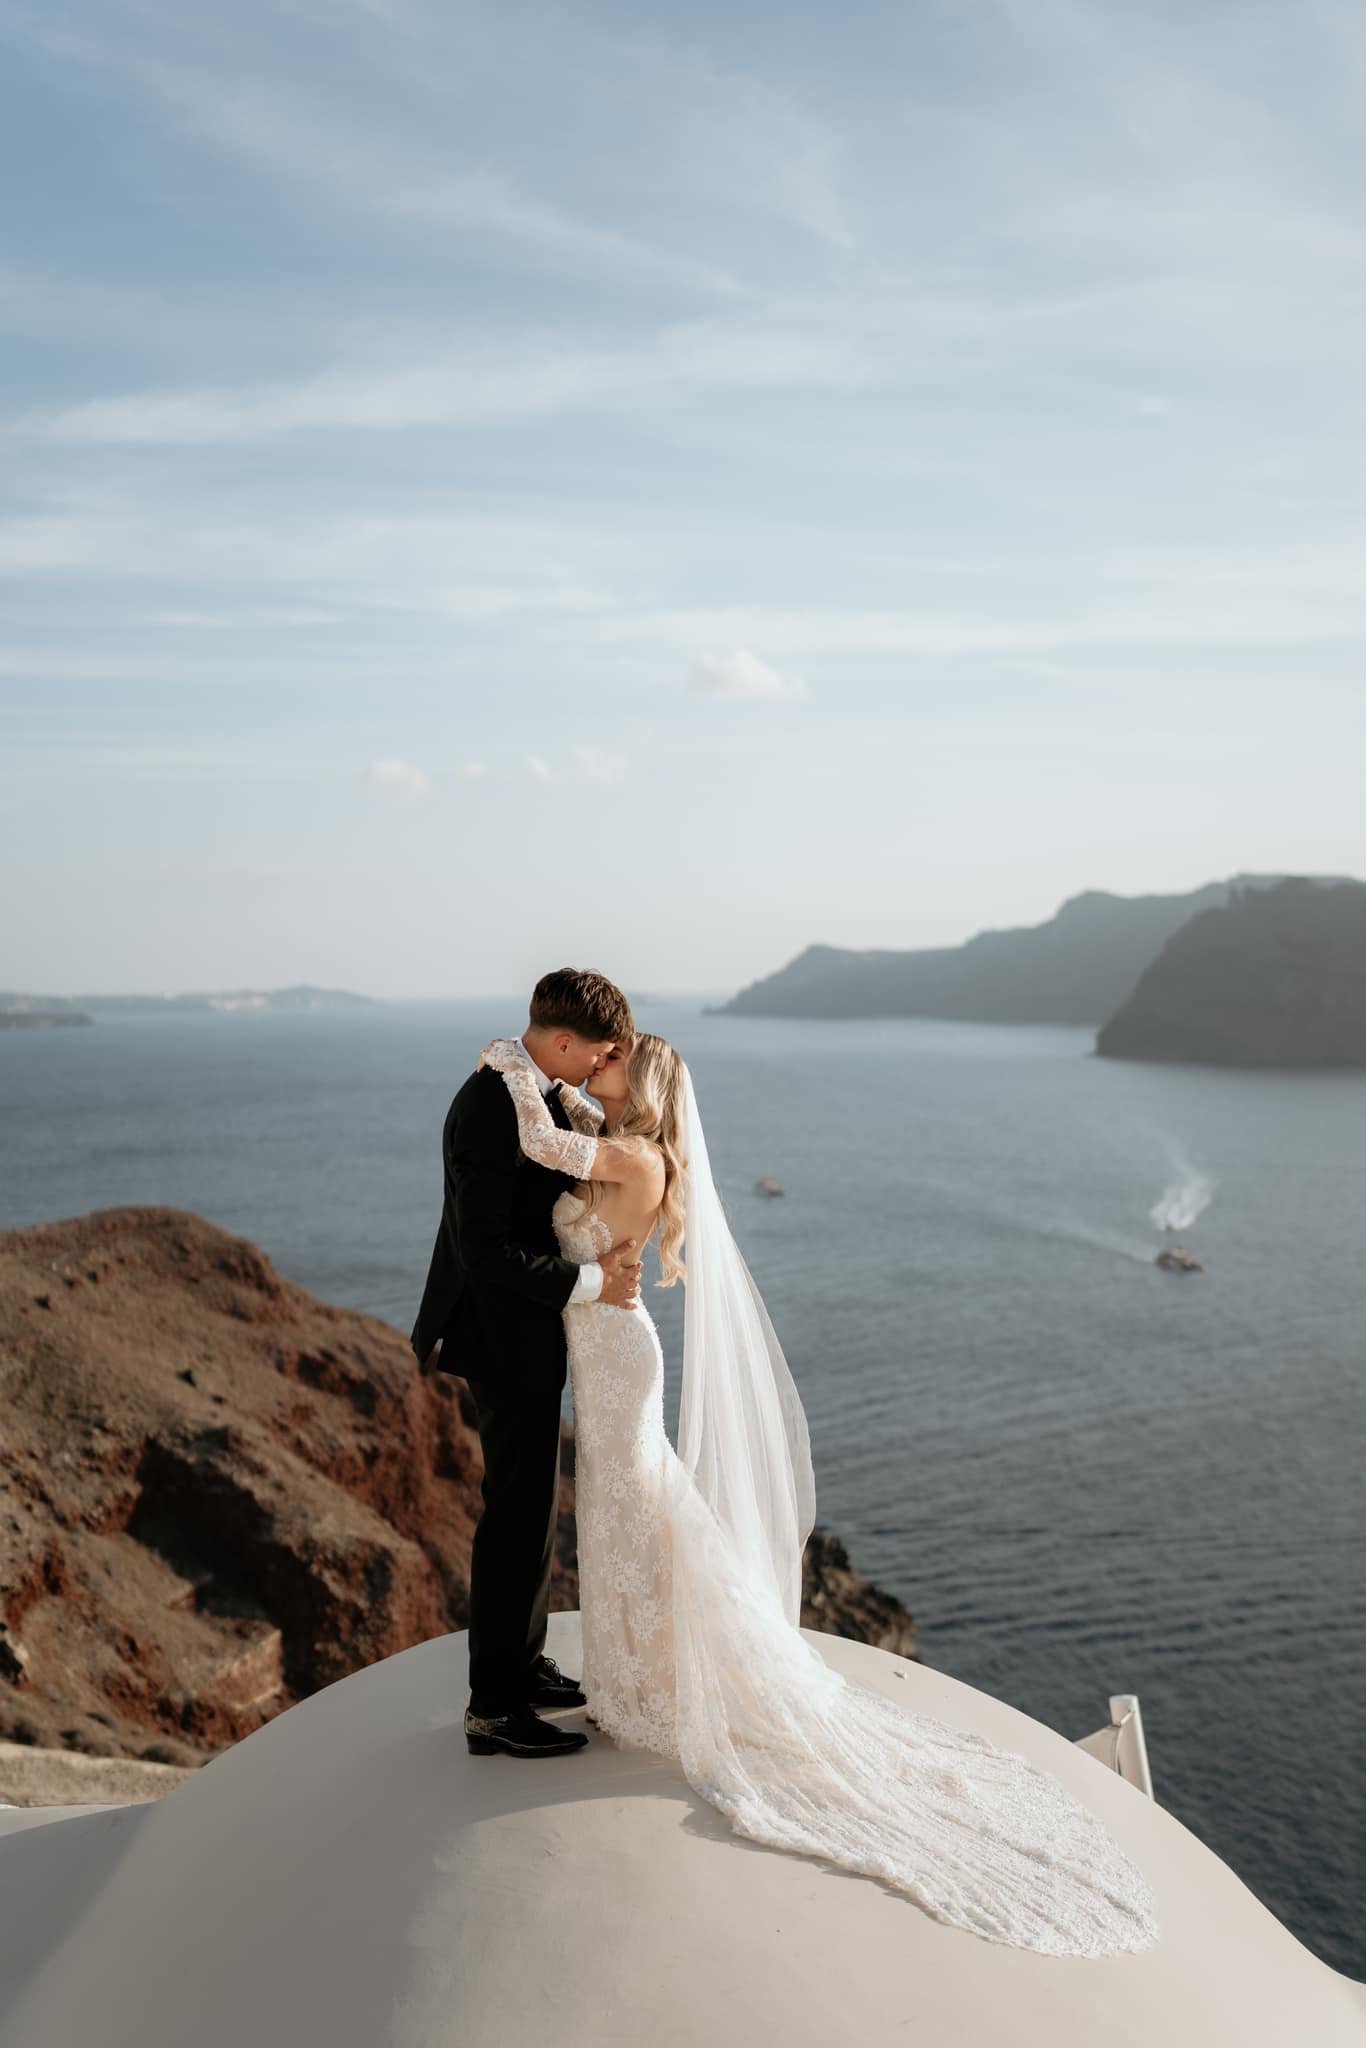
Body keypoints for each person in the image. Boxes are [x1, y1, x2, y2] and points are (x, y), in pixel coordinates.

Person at [474, 1030, 1163, 1958]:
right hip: (600, 1349)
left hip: (617, 1358)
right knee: (617, 1515)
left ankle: (653, 1681)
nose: (597, 1070)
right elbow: (574, 1144)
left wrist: (516, 1065)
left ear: (638, 1084)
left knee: (638, 1508)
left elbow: (551, 1145)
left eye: (611, 1063)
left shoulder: (634, 1156)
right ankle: (631, 1676)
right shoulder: (629, 1140)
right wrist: (567, 1084)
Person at [410, 969, 643, 1759]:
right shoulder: (488, 1103)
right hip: (500, 1333)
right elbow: (485, 1251)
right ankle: (493, 1710)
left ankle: (523, 1662)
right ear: (567, 1042)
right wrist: (591, 1284)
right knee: (512, 1516)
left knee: (535, 1508)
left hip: (530, 1331)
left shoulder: (533, 1090)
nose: (595, 1069)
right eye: (596, 1055)